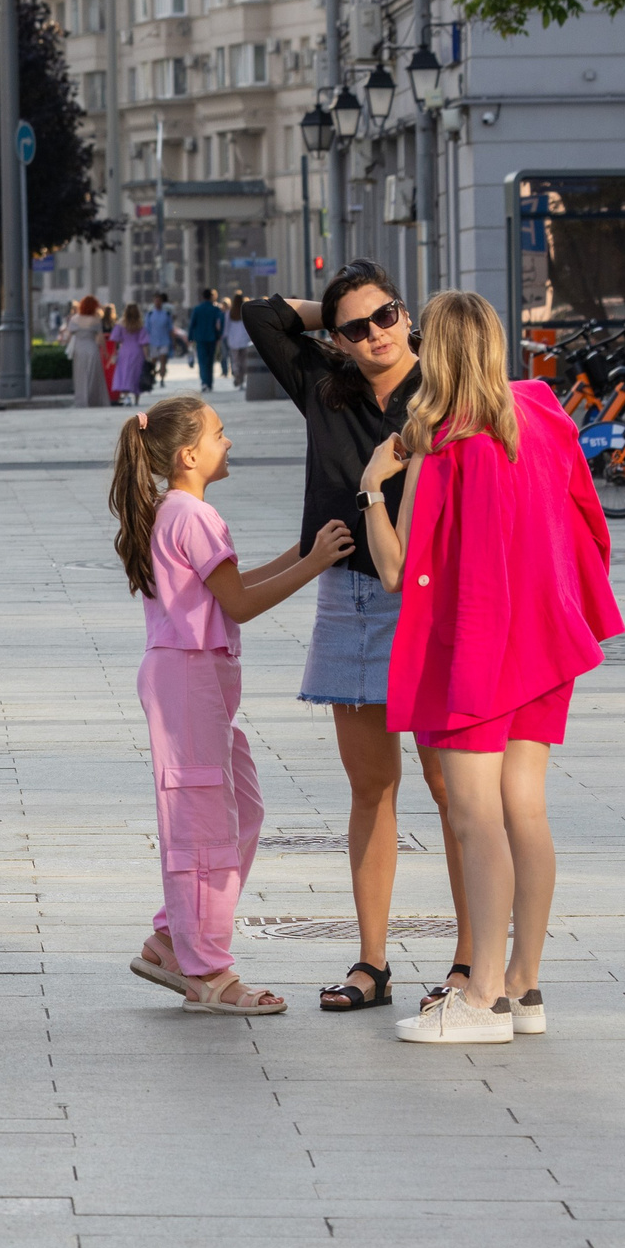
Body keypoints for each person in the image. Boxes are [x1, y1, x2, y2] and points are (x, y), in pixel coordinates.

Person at [364, 292, 623, 1043]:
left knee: (477, 818)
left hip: (476, 651)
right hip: (545, 643)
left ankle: (479, 998)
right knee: (526, 813)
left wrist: (372, 485)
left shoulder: (441, 445)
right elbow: (588, 524)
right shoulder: (542, 413)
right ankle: (522, 985)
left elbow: (395, 567)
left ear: (435, 352)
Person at [241, 266, 460, 1014]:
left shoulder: (442, 387)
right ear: (335, 337)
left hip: (427, 600)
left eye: (386, 316)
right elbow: (259, 314)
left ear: (408, 314)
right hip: (348, 598)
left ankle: (468, 964)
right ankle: (372, 962)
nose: (375, 335)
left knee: (448, 786)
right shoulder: (324, 383)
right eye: (356, 327)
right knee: (372, 788)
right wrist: (325, 321)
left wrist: (398, 329)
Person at [110, 395, 350, 1017]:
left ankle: (172, 940)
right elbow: (240, 605)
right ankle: (208, 973)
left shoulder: (179, 510)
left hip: (194, 683)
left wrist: (305, 552)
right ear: (190, 454)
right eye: (220, 433)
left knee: (240, 812)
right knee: (203, 828)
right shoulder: (192, 515)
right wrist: (317, 561)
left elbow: (231, 590)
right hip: (187, 682)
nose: (230, 442)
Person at [64, 295, 108, 408]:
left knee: (80, 375)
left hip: (79, 349)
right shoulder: (96, 320)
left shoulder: (74, 319)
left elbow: (68, 335)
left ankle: (81, 400)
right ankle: (93, 399)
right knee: (93, 375)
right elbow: (100, 337)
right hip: (92, 348)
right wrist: (105, 351)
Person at [187, 290, 226, 392]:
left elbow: (192, 324)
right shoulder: (215, 309)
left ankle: (204, 382)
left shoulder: (197, 309)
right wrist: (219, 335)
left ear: (203, 297)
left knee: (202, 361)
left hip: (200, 339)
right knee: (210, 362)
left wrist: (190, 338)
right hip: (212, 338)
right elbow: (220, 323)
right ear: (211, 297)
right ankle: (209, 383)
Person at [110, 305, 148, 404]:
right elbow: (144, 342)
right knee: (136, 374)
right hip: (137, 351)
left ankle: (126, 397)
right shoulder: (140, 324)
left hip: (124, 351)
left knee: (125, 373)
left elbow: (115, 339)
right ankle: (136, 399)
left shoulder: (121, 324)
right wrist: (147, 356)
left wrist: (114, 352)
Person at [143, 293, 177, 389]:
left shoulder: (166, 314)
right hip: (153, 342)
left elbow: (171, 329)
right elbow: (147, 330)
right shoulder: (150, 315)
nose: (157, 302)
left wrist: (173, 342)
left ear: (162, 302)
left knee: (163, 361)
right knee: (153, 362)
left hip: (164, 341)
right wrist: (145, 344)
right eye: (156, 300)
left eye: (159, 301)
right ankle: (153, 376)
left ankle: (162, 378)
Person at [222, 295, 251, 387]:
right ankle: (242, 380)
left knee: (235, 360)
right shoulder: (245, 312)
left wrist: (225, 337)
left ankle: (236, 375)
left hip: (233, 340)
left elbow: (226, 327)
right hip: (244, 340)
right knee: (243, 361)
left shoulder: (229, 313)